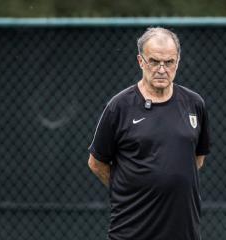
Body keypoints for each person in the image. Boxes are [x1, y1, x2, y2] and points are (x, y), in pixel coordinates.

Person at [88, 27, 210, 240]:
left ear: (178, 62)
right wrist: (130, 190)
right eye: (154, 61)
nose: (162, 69)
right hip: (132, 231)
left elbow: (196, 159)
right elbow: (96, 162)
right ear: (140, 61)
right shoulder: (119, 106)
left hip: (183, 231)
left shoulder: (194, 104)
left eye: (169, 62)